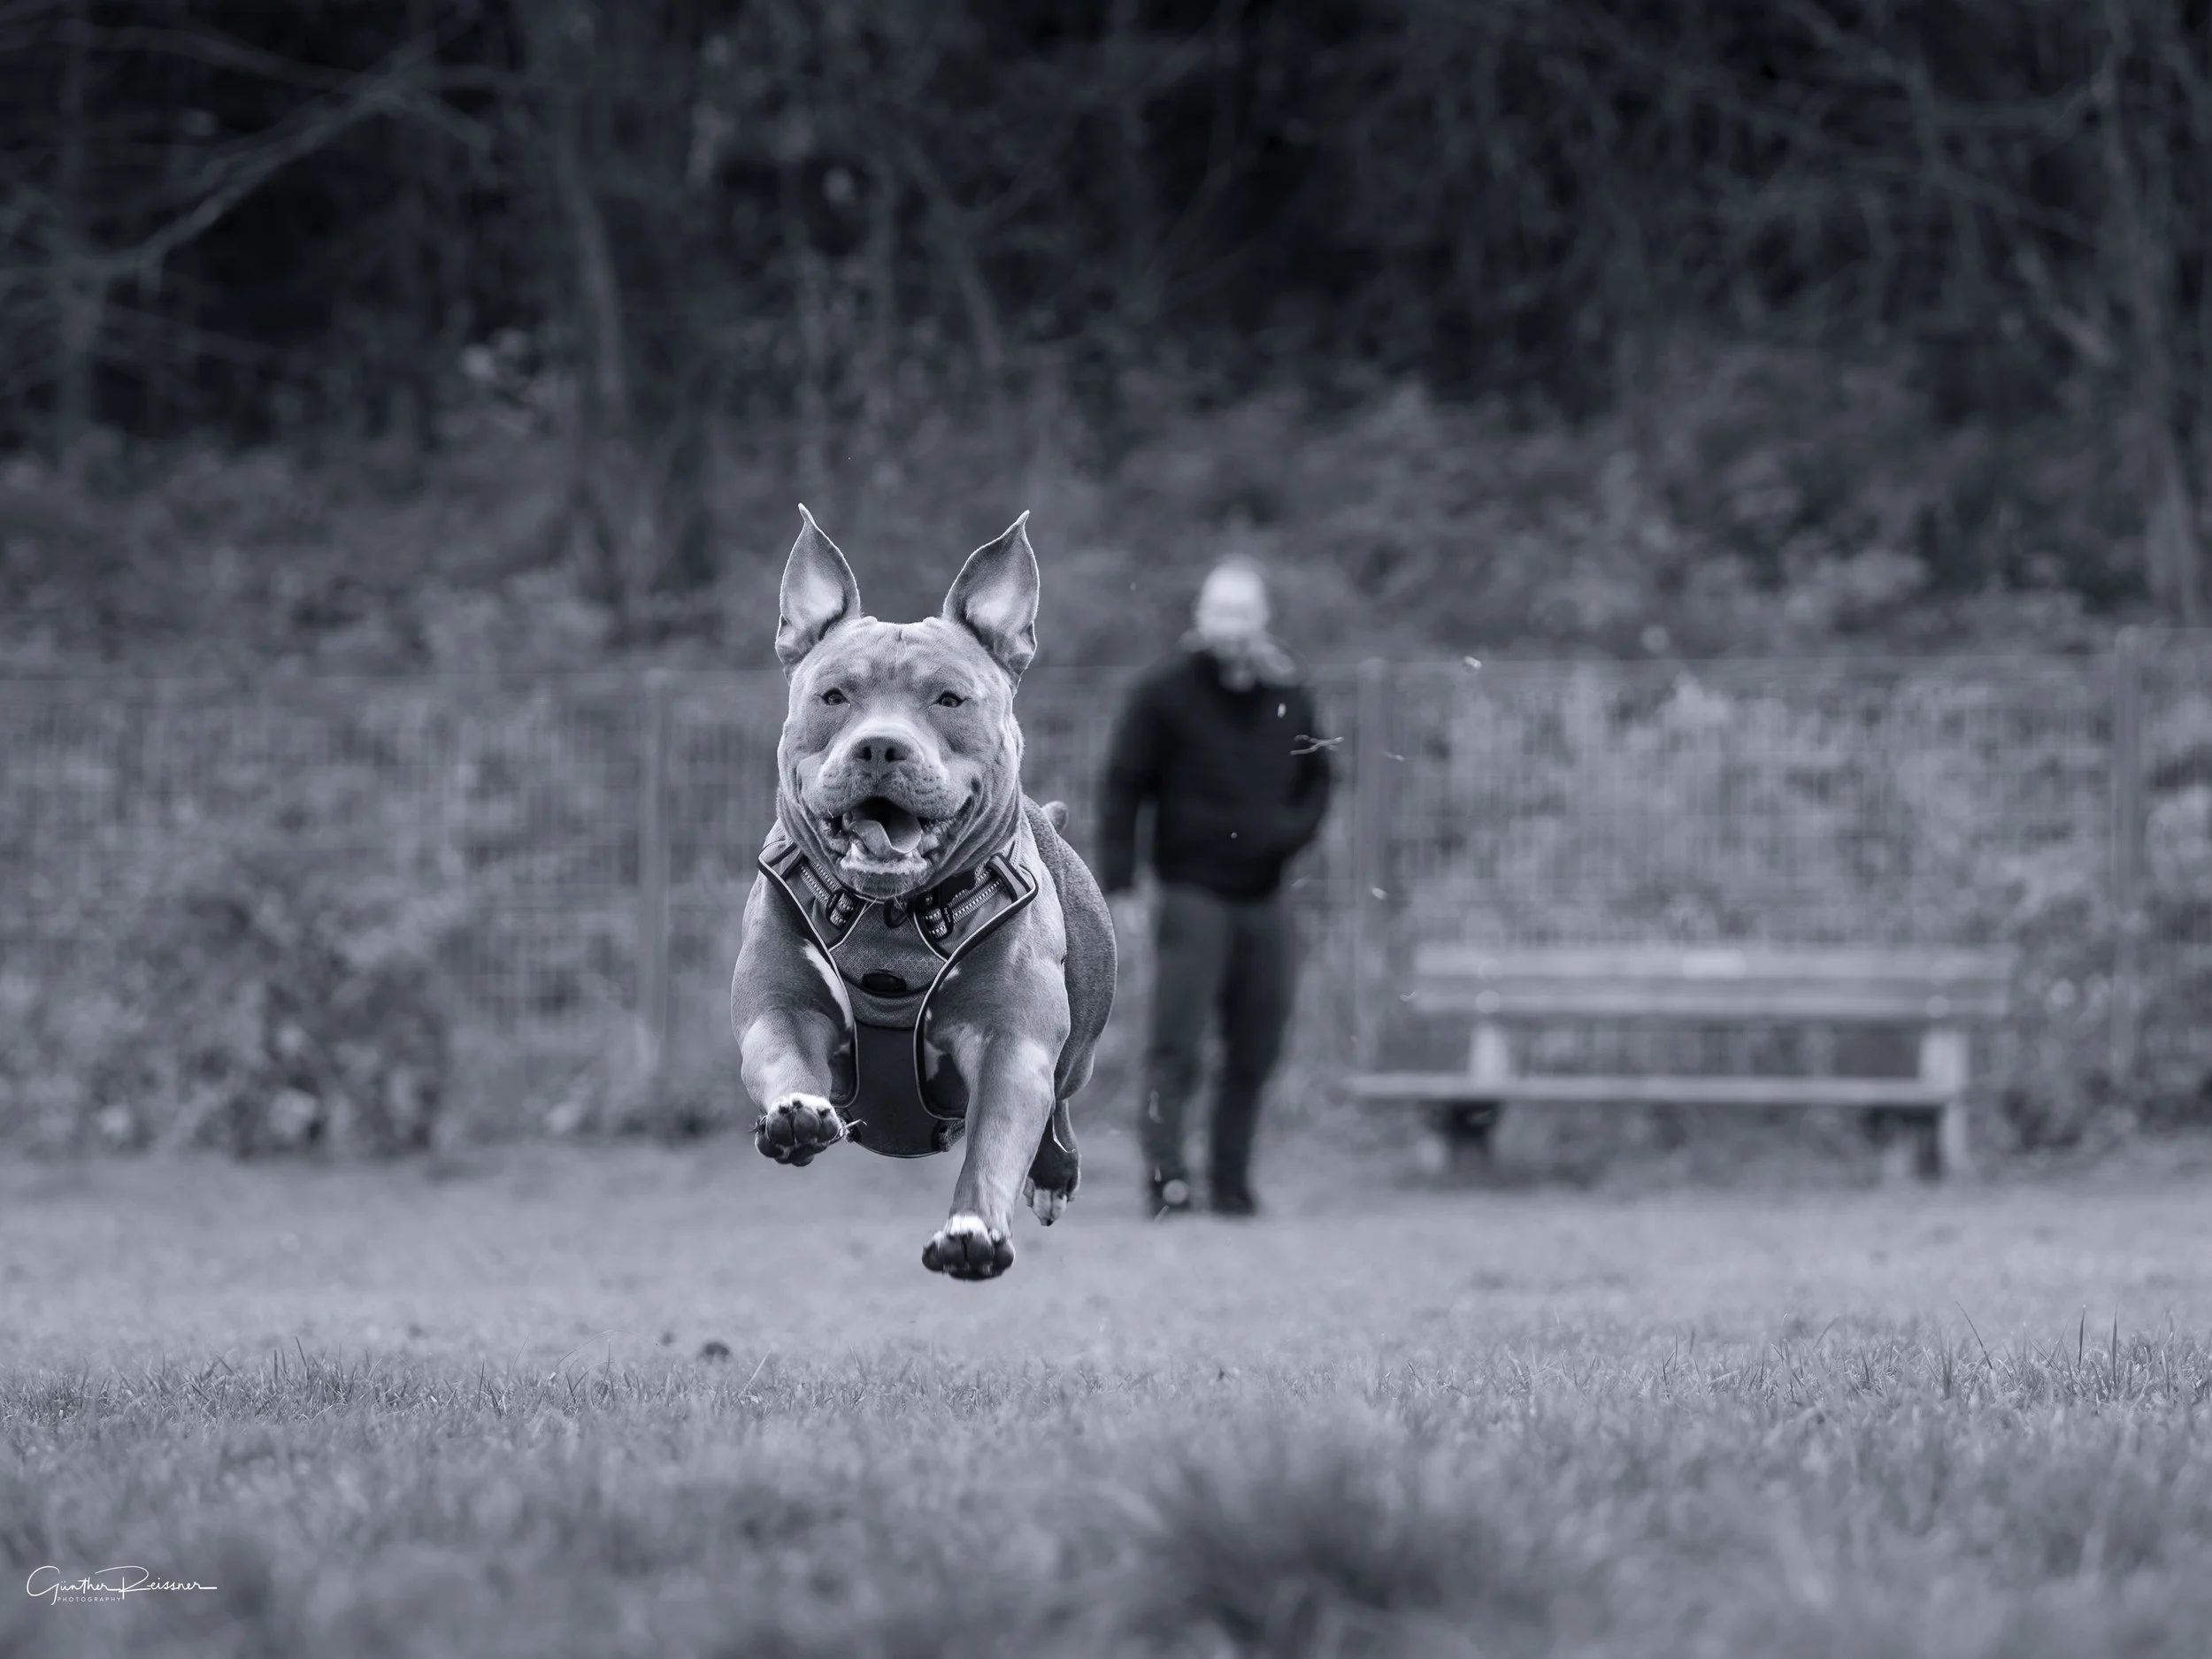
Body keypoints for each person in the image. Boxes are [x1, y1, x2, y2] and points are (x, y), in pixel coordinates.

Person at [1096, 557, 1334, 1217]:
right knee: (1177, 1043)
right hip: (1190, 889)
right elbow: (1123, 786)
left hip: (1266, 893)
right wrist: (1121, 884)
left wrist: (1289, 834)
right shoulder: (1163, 692)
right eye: (1219, 614)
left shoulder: (1290, 690)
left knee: (1257, 1043)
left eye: (1242, 616)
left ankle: (1231, 1183)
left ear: (1262, 621)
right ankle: (1167, 1180)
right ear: (1200, 620)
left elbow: (1320, 779)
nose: (1231, 629)